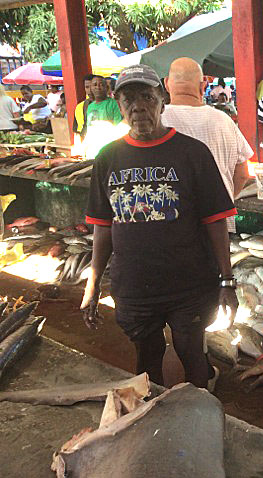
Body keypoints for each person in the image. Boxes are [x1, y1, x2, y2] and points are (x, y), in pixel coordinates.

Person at [81, 64, 238, 389]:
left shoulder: (192, 153)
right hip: (134, 286)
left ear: (162, 101)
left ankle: (201, 412)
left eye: (146, 97)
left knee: (190, 351)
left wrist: (227, 281)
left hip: (190, 283)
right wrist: (93, 283)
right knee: (147, 356)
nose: (138, 106)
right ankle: (152, 419)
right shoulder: (108, 158)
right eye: (129, 99)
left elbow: (215, 223)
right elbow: (104, 228)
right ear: (118, 104)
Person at [162, 57, 252, 234]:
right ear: (203, 85)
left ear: (166, 84)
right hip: (219, 225)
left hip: (171, 226)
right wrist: (224, 200)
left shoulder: (156, 122)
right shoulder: (224, 121)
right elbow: (242, 175)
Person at [73, 74, 94, 139]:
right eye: (87, 87)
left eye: (92, 86)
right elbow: (77, 131)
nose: (90, 90)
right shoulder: (80, 107)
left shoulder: (110, 105)